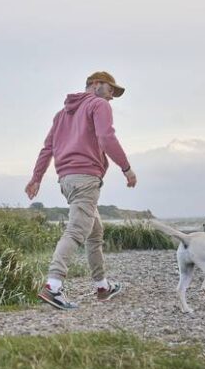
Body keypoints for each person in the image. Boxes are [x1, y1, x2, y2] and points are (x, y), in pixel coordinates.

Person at [25, 71, 137, 310]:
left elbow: (47, 149)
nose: (111, 96)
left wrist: (36, 179)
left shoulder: (61, 114)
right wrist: (126, 168)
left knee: (95, 232)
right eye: (110, 90)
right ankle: (53, 286)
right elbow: (106, 137)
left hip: (66, 180)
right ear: (95, 84)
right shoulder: (98, 104)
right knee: (76, 231)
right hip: (85, 178)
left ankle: (102, 286)